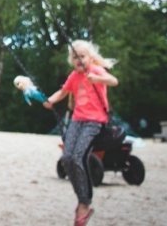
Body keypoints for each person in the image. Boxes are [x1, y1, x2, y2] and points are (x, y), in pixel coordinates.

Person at [43, 40, 118, 226]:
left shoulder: (96, 70)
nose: (79, 60)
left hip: (95, 121)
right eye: (75, 57)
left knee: (78, 157)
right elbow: (63, 92)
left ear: (90, 58)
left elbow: (114, 81)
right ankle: (81, 198)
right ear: (71, 60)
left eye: (82, 56)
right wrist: (50, 100)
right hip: (77, 120)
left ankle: (85, 203)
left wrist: (98, 79)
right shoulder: (74, 76)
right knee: (67, 158)